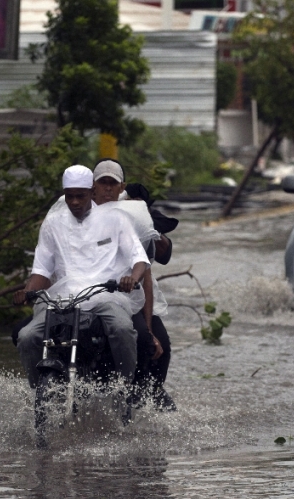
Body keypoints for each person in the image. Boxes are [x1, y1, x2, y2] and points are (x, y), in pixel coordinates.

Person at [13, 165, 150, 395]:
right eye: (69, 196)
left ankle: (124, 389)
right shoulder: (53, 223)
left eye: (80, 196)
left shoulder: (116, 219)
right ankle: (39, 395)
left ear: (92, 191)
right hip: (63, 296)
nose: (74, 202)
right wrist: (27, 292)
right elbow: (41, 271)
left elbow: (139, 259)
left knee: (122, 327)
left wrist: (132, 278)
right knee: (26, 337)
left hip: (106, 294)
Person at [91, 159, 177, 411]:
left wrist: (146, 221)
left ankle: (146, 395)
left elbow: (154, 265)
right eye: (102, 183)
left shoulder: (134, 215)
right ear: (92, 187)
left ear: (122, 188)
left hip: (128, 292)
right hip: (85, 291)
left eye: (112, 184)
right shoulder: (75, 212)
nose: (107, 189)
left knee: (155, 343)